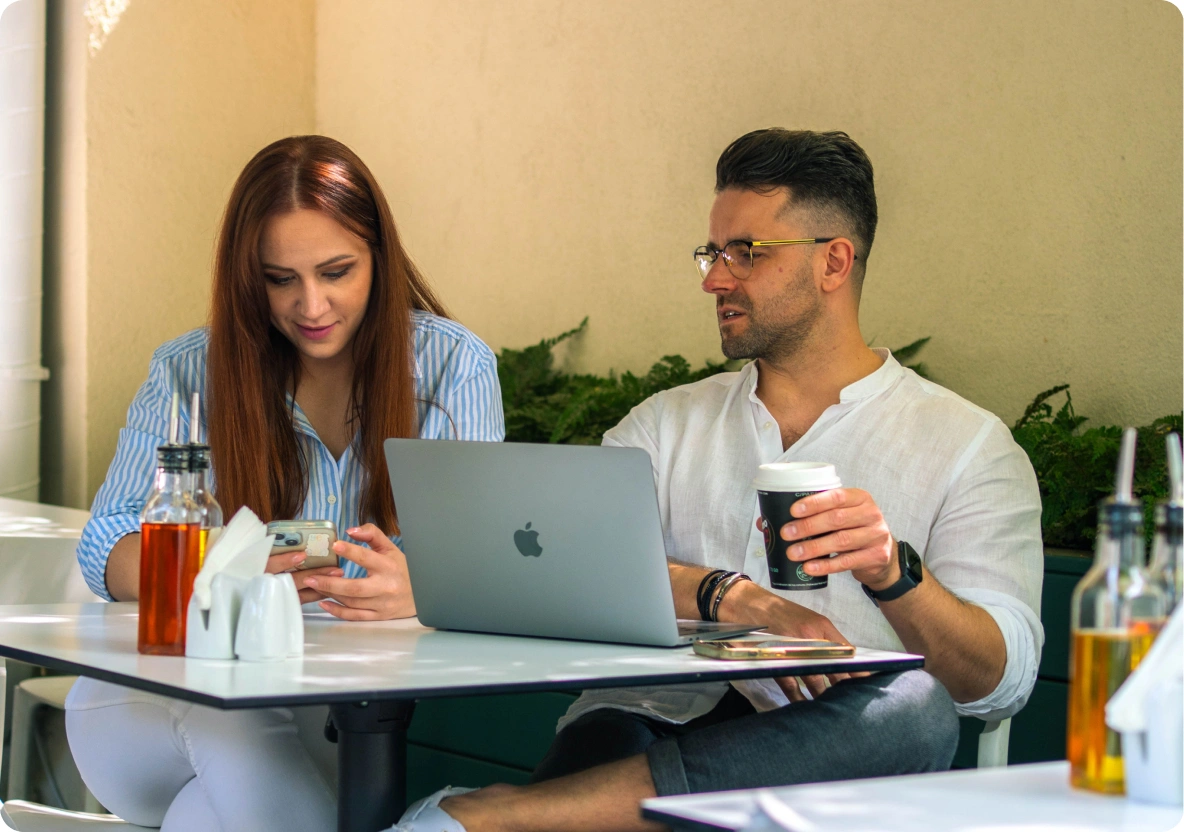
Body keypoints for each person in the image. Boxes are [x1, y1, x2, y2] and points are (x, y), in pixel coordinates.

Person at [391, 129, 1043, 832]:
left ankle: (494, 816)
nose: (714, 278)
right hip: (645, 724)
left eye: (745, 254)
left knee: (916, 711)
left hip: (818, 775)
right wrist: (728, 596)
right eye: (713, 252)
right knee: (613, 723)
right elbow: (572, 570)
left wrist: (893, 573)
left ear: (834, 262)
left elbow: (998, 682)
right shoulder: (664, 427)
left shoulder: (967, 445)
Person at [66, 135, 504, 831]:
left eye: (337, 271)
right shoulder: (188, 373)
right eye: (280, 279)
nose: (312, 305)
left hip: (335, 723)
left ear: (381, 262)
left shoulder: (454, 368)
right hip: (151, 710)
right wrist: (220, 565)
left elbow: (488, 559)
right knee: (232, 719)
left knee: (209, 819)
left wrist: (428, 586)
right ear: (248, 278)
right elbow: (103, 547)